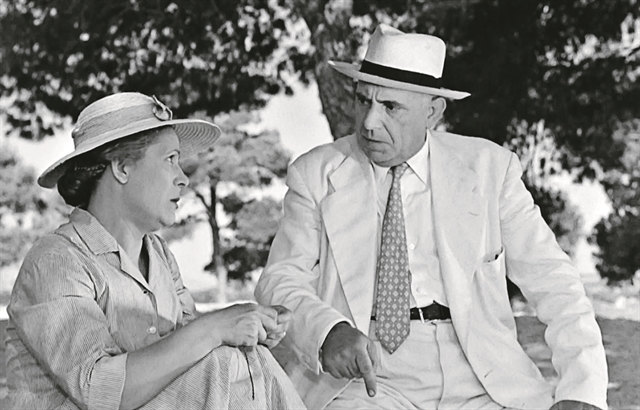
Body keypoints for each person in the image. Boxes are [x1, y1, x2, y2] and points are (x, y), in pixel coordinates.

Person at [255, 24, 608, 410]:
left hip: (481, 376)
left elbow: (553, 280)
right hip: (367, 380)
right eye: (363, 101)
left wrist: (582, 390)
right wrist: (327, 332)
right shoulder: (315, 174)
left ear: (433, 112)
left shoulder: (490, 169)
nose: (369, 122)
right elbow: (280, 279)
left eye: (390, 107)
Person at [5, 92, 306, 410]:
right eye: (170, 159)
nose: (183, 178)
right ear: (122, 168)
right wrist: (215, 327)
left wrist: (247, 329)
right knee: (224, 364)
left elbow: (192, 351)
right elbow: (99, 390)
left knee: (243, 357)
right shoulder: (57, 261)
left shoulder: (159, 256)